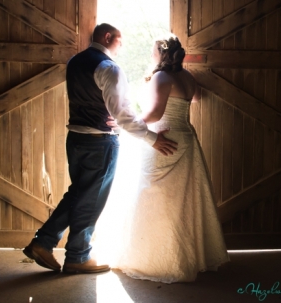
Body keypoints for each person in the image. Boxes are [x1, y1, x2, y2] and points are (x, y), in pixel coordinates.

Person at [22, 24, 178, 274]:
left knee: (79, 193)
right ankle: (77, 256)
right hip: (100, 141)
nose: (122, 45)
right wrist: (151, 138)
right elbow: (122, 114)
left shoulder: (75, 62)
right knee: (90, 200)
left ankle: (43, 242)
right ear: (108, 37)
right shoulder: (109, 68)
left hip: (76, 138)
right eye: (120, 40)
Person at [96, 36, 229, 283]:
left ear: (161, 53)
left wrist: (126, 123)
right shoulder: (188, 77)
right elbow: (196, 98)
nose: (150, 54)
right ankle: (184, 256)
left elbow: (155, 113)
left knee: (152, 194)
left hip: (164, 138)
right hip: (187, 138)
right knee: (181, 200)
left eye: (153, 50)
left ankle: (154, 258)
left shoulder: (161, 77)